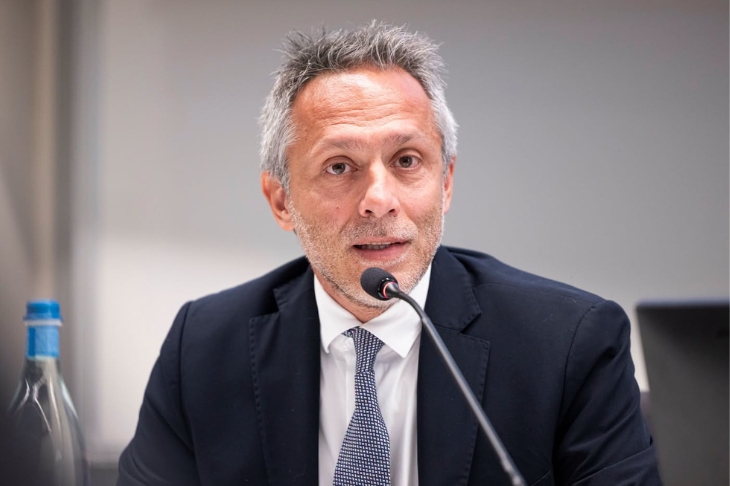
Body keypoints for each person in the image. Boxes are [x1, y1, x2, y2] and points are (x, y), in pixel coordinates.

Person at [117, 22, 660, 486]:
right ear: (281, 201)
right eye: (339, 167)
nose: (379, 200)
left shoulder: (569, 343)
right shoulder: (203, 347)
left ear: (446, 183)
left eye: (406, 160)